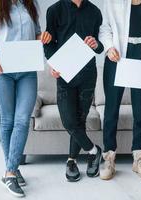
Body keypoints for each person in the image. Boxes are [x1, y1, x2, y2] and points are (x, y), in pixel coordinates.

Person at [0, 0, 52, 197]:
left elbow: (37, 33)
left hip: (27, 69)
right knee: (7, 120)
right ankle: (12, 170)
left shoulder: (30, 3)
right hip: (2, 70)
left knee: (22, 120)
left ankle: (10, 172)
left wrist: (42, 37)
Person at [99, 0, 141, 180]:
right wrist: (109, 47)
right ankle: (109, 157)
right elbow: (105, 28)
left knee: (140, 110)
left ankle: (138, 158)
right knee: (111, 110)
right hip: (117, 57)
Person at [44, 0, 104, 182]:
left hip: (87, 74)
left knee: (79, 120)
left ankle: (72, 160)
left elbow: (101, 47)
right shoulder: (54, 10)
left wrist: (96, 44)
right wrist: (52, 63)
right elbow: (49, 42)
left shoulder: (95, 11)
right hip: (65, 73)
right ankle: (94, 151)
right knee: (69, 121)